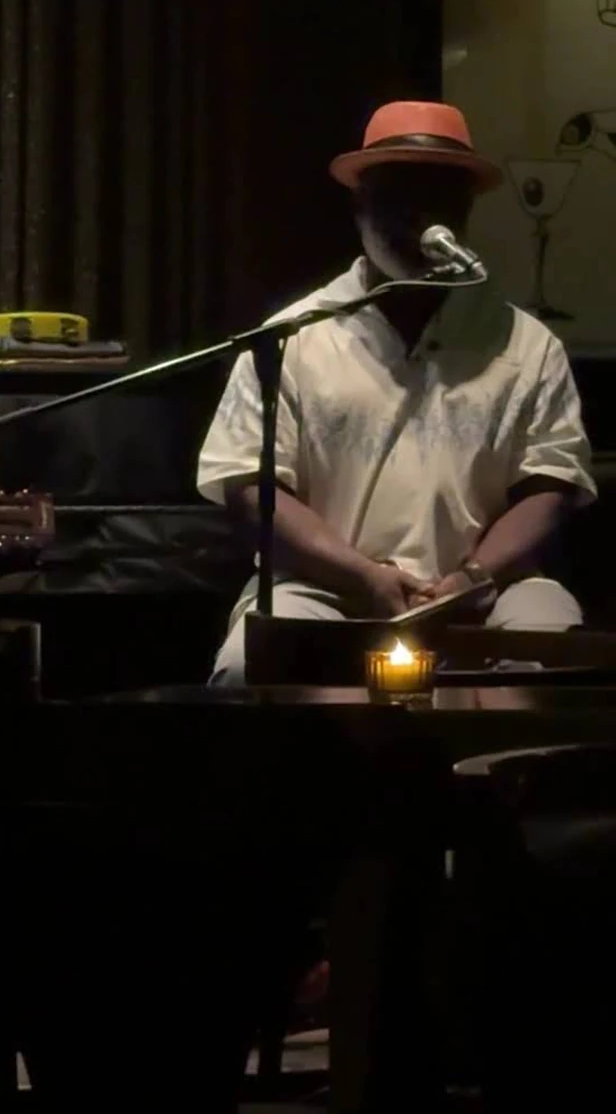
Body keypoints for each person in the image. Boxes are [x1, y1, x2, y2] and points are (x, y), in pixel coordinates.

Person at [198, 101, 596, 685]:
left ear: (464, 209)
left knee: (558, 660)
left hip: (492, 588)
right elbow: (249, 487)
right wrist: (362, 576)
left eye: (439, 195)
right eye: (398, 195)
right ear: (360, 206)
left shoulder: (528, 344)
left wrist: (471, 578)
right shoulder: (290, 338)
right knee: (244, 672)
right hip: (324, 588)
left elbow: (550, 484)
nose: (418, 216)